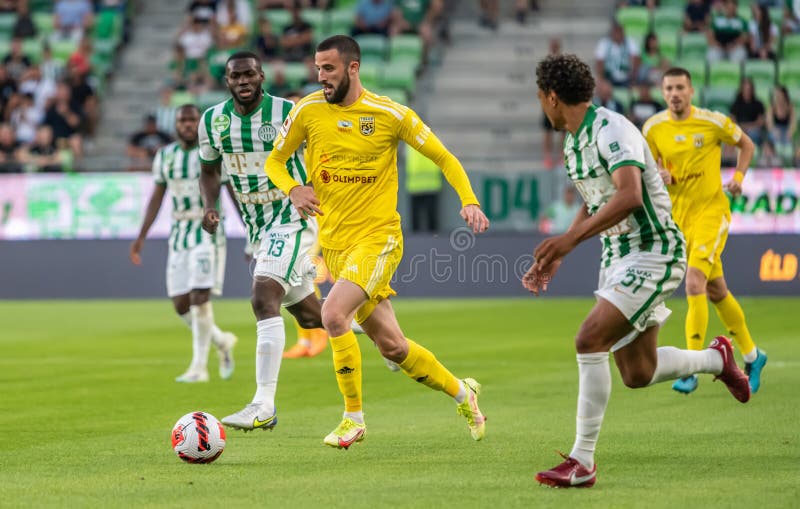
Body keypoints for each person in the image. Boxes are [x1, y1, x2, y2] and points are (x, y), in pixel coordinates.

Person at [526, 53, 751, 489]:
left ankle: (582, 461)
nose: (542, 106)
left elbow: (629, 195)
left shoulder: (611, 129)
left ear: (553, 97)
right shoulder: (574, 141)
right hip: (617, 255)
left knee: (589, 339)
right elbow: (597, 201)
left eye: (540, 98)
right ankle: (716, 358)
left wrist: (570, 240)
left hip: (654, 250)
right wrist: (561, 253)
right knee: (637, 372)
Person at [265, 35, 490, 449]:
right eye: (317, 68)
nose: (321, 77)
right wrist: (294, 189)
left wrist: (469, 200)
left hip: (379, 238)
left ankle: (353, 418)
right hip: (335, 241)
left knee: (332, 314)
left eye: (329, 68)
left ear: (353, 68)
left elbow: (444, 156)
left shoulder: (389, 113)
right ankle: (464, 393)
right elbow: (275, 161)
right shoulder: (307, 111)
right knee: (393, 347)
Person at [198, 51, 324, 432]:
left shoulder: (288, 112)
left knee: (262, 295)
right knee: (312, 315)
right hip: (258, 227)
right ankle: (385, 336)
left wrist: (312, 190)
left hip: (292, 218)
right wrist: (210, 205)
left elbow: (320, 154)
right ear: (227, 81)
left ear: (262, 76)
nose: (243, 81)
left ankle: (263, 405)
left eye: (250, 74)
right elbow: (209, 169)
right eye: (236, 76)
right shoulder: (213, 121)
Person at [644, 67, 768, 395]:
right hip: (679, 219)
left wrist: (738, 179)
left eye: (680, 87)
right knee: (716, 290)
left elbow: (747, 145)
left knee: (694, 281)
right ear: (662, 90)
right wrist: (659, 177)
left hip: (712, 213)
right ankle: (754, 356)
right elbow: (648, 172)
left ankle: (692, 368)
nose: (675, 93)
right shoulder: (653, 128)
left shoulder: (712, 122)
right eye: (669, 87)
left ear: (691, 91)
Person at [130, 104, 238, 383]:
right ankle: (222, 341)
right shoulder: (165, 156)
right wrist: (141, 236)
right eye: (183, 120)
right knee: (181, 304)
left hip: (207, 230)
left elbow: (231, 191)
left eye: (192, 120)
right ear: (176, 124)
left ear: (199, 124)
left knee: (200, 297)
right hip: (179, 232)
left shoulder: (213, 152)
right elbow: (157, 197)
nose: (188, 124)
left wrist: (251, 230)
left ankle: (199, 367)